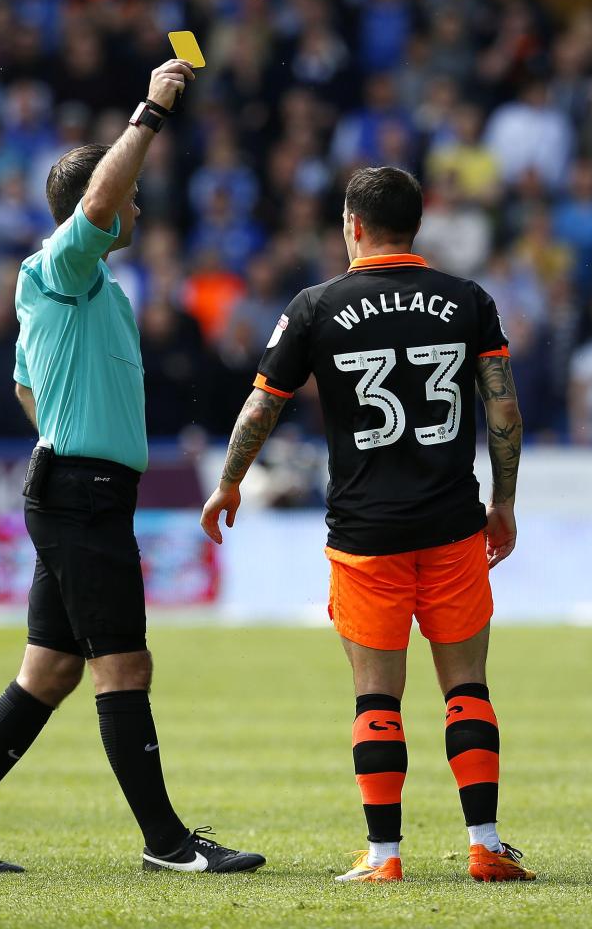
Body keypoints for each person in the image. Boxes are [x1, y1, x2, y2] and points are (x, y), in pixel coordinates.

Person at [0, 59, 265, 877]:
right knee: (124, 665)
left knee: (50, 670)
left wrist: (65, 439)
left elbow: (23, 385)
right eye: (125, 199)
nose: (134, 210)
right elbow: (104, 200)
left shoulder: (84, 286)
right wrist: (149, 111)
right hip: (82, 494)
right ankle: (168, 844)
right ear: (87, 211)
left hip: (76, 486)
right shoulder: (63, 267)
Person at [201, 166, 535, 883]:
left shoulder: (317, 305)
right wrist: (504, 500)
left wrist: (229, 482)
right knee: (467, 687)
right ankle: (484, 842)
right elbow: (503, 412)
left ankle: (385, 854)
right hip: (452, 525)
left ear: (352, 224)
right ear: (416, 225)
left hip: (364, 535)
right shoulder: (467, 299)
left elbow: (263, 406)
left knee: (377, 697)